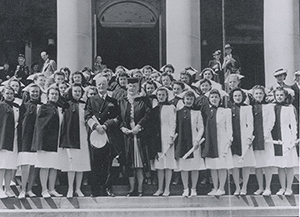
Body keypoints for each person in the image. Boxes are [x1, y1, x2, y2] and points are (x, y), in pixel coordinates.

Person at [108, 77, 152, 197]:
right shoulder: (122, 101)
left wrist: (139, 126)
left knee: (139, 164)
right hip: (127, 136)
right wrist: (123, 128)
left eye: (134, 86)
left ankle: (140, 189)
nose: (132, 88)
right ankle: (132, 189)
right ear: (127, 87)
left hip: (139, 135)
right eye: (130, 86)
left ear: (138, 87)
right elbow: (119, 117)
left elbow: (148, 114)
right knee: (129, 164)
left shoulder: (144, 100)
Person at [85, 76, 119, 197]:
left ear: (107, 85)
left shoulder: (113, 101)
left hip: (107, 133)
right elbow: (87, 115)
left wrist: (105, 126)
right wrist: (95, 126)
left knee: (107, 163)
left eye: (103, 84)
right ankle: (95, 189)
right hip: (95, 135)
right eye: (99, 85)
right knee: (95, 163)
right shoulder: (91, 99)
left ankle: (106, 188)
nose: (101, 87)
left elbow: (117, 118)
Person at [60, 84, 91, 198]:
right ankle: (70, 188)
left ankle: (78, 188)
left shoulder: (85, 105)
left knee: (81, 164)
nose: (77, 93)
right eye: (75, 91)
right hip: (71, 137)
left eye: (79, 91)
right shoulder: (66, 104)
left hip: (82, 136)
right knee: (71, 165)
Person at [32, 86, 63, 198]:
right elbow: (40, 126)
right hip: (45, 142)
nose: (54, 96)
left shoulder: (59, 108)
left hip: (56, 141)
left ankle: (51, 189)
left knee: (54, 166)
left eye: (56, 94)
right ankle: (44, 190)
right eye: (52, 94)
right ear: (48, 95)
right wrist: (40, 143)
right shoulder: (44, 107)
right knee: (44, 166)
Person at [202, 89, 233, 196]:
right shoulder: (207, 111)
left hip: (222, 140)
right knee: (213, 165)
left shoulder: (225, 111)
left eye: (216, 97)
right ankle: (215, 187)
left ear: (220, 99)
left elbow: (228, 126)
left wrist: (229, 139)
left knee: (221, 165)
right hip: (210, 141)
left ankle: (221, 188)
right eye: (212, 97)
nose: (214, 99)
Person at [175, 91, 205, 197]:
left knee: (194, 167)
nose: (189, 101)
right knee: (184, 167)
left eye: (191, 99)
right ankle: (185, 189)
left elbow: (201, 127)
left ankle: (193, 189)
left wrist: (197, 139)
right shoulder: (178, 112)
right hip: (182, 143)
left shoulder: (197, 112)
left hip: (194, 143)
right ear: (184, 100)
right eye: (187, 99)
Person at [271, 87, 298, 196]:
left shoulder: (289, 108)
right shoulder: (273, 108)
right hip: (276, 138)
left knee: (288, 164)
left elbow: (294, 125)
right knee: (280, 165)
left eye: (281, 95)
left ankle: (289, 188)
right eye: (277, 95)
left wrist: (293, 139)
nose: (279, 97)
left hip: (287, 137)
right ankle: (282, 187)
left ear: (285, 96)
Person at [229, 88, 255, 195]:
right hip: (234, 139)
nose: (237, 98)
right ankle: (237, 187)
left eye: (239, 96)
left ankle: (244, 187)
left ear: (243, 96)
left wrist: (249, 137)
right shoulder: (229, 109)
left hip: (245, 138)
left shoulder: (248, 108)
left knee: (246, 164)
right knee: (235, 165)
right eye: (235, 96)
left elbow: (250, 123)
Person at [151, 87, 176, 197]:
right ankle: (160, 188)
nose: (161, 97)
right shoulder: (155, 108)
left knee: (168, 164)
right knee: (159, 165)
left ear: (167, 96)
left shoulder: (170, 107)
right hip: (157, 139)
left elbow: (173, 123)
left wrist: (171, 136)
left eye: (163, 95)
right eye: (159, 95)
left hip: (167, 138)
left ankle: (167, 188)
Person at [18, 84, 42, 199]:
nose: (35, 94)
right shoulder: (24, 106)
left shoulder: (43, 106)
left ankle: (30, 189)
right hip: (26, 138)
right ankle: (22, 189)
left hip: (37, 138)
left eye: (37, 92)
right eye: (33, 92)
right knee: (26, 164)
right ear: (29, 93)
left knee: (34, 164)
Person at [251, 85, 275, 196]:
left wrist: (265, 134)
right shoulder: (250, 107)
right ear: (253, 95)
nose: (259, 95)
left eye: (260, 93)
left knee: (267, 163)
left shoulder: (269, 107)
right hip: (255, 139)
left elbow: (271, 121)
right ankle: (260, 187)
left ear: (264, 94)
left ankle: (268, 187)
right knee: (258, 164)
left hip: (266, 137)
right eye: (256, 94)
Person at [0, 86, 21, 198]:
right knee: (2, 165)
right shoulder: (1, 106)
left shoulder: (16, 107)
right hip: (3, 139)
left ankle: (8, 188)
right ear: (3, 94)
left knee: (10, 166)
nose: (9, 95)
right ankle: (0, 189)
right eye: (7, 93)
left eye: (11, 93)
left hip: (14, 139)